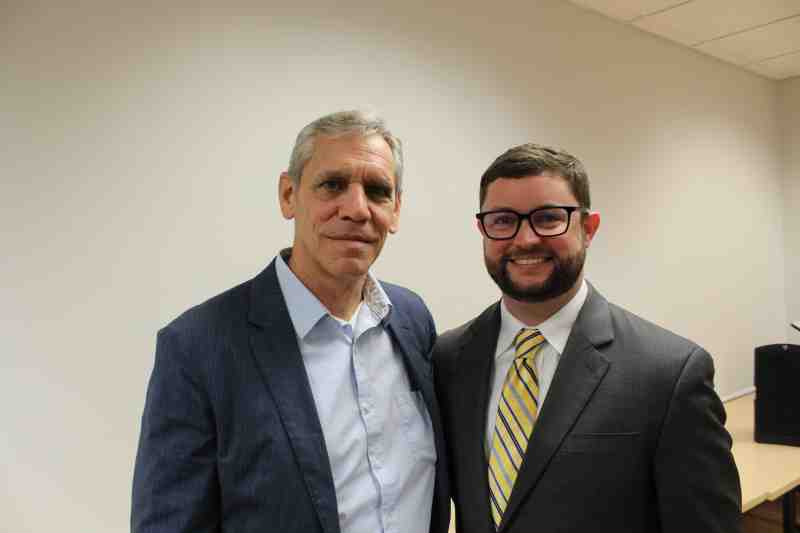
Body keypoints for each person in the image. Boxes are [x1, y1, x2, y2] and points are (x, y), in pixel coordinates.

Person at [132, 110, 449, 533]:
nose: (357, 209)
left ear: (395, 211)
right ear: (288, 195)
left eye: (377, 191)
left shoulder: (411, 320)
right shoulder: (198, 347)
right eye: (332, 185)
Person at [434, 143, 741, 533]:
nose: (525, 239)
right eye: (502, 220)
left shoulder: (670, 374)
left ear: (589, 228)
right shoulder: (449, 359)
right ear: (482, 229)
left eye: (548, 218)